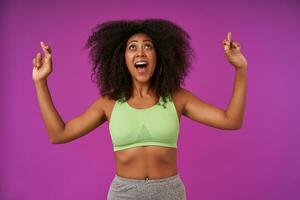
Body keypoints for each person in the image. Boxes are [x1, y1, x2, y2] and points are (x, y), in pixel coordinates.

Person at [32, 19, 247, 200]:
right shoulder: (109, 103)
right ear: (122, 59)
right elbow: (58, 134)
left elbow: (231, 120)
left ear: (159, 56)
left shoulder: (177, 97)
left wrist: (240, 68)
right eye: (132, 47)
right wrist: (40, 82)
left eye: (148, 46)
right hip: (124, 193)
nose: (140, 52)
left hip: (169, 192)